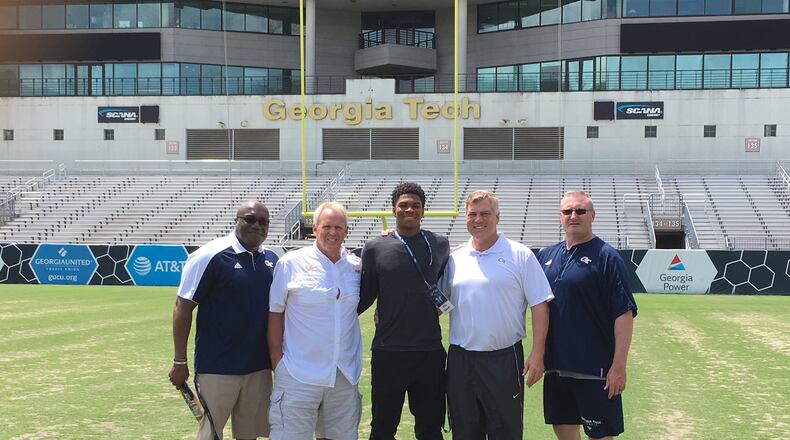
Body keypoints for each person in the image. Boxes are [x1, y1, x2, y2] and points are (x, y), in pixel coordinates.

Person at [442, 189, 553, 440]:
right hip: (461, 360)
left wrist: (538, 354)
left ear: (497, 217)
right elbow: (439, 303)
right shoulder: (454, 258)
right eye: (473, 214)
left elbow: (539, 304)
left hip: (504, 358)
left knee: (506, 432)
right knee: (465, 431)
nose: (478, 219)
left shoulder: (520, 255)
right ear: (466, 218)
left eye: (485, 213)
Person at [169, 200, 277, 440]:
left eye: (263, 221)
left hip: (258, 369)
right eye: (250, 219)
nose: (257, 225)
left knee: (250, 435)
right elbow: (182, 307)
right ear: (236, 221)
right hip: (217, 368)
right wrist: (179, 361)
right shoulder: (210, 255)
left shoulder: (271, 259)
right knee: (210, 435)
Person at [536, 190, 638, 440]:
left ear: (593, 215)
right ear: (560, 217)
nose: (573, 216)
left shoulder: (607, 257)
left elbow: (623, 314)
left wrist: (618, 366)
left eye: (580, 211)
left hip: (595, 370)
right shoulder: (546, 256)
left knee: (600, 435)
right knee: (564, 431)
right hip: (557, 368)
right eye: (567, 211)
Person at [358, 182, 450, 440]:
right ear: (393, 210)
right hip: (389, 352)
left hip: (429, 352)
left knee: (430, 429)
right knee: (383, 428)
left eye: (415, 205)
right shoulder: (375, 247)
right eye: (403, 205)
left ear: (423, 210)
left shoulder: (440, 244)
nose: (409, 209)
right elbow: (365, 295)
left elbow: (445, 284)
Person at [267, 201, 363, 440]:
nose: (333, 232)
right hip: (299, 372)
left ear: (347, 231)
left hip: (343, 374)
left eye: (339, 227)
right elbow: (275, 313)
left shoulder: (356, 266)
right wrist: (278, 362)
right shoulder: (290, 263)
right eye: (327, 226)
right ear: (315, 228)